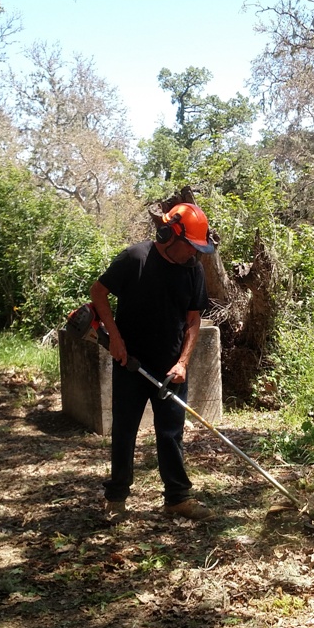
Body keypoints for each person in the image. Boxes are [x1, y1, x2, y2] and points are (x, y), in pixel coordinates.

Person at [89, 202, 217, 524]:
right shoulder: (136, 259)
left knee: (171, 432)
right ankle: (116, 498)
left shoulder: (193, 270)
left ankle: (177, 498)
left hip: (171, 369)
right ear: (169, 235)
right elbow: (98, 292)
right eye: (191, 247)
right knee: (125, 430)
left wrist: (183, 363)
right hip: (130, 363)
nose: (195, 254)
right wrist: (115, 339)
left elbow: (193, 320)